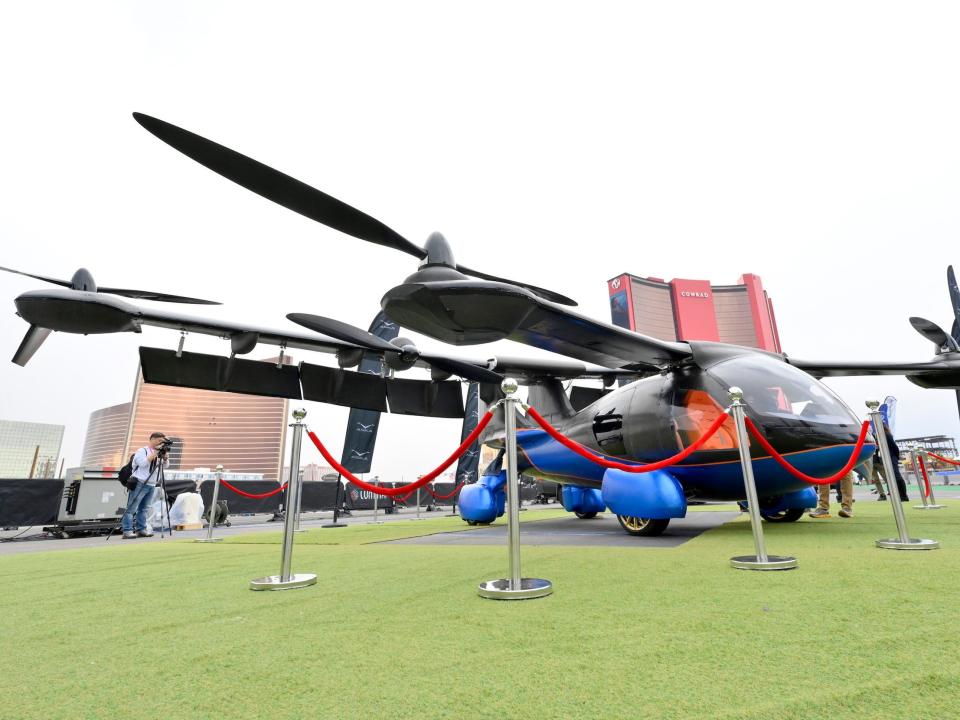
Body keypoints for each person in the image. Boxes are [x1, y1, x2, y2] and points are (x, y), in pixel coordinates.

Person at [121, 432, 168, 539]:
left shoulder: (159, 452)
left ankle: (141, 529)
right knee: (131, 508)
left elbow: (165, 466)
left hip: (152, 484)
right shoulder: (142, 451)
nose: (161, 443)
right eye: (160, 441)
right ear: (152, 439)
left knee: (144, 509)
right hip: (140, 482)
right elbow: (142, 463)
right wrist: (155, 453)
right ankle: (127, 531)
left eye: (163, 441)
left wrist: (165, 458)